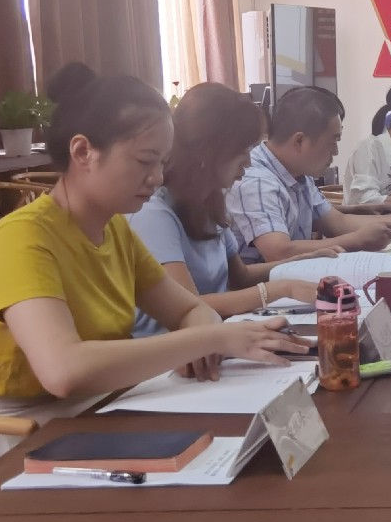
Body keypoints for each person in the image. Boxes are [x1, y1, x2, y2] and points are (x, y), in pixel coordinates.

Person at [0, 65, 306, 469]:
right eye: (144, 161)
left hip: (101, 405)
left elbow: (190, 309)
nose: (156, 177)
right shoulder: (22, 239)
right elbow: (62, 370)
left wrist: (203, 334)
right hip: (21, 428)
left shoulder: (115, 229)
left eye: (162, 162)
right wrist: (209, 339)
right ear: (83, 152)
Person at [129, 83, 333, 336]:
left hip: (218, 336)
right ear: (209, 152)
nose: (248, 162)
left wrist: (300, 262)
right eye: (242, 151)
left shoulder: (209, 201)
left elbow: (241, 277)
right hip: (173, 349)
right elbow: (188, 306)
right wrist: (281, 289)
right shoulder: (153, 213)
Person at [227, 86, 391, 264]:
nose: (336, 152)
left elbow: (339, 222)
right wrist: (356, 240)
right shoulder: (258, 181)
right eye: (333, 141)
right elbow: (279, 252)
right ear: (299, 141)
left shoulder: (298, 174)